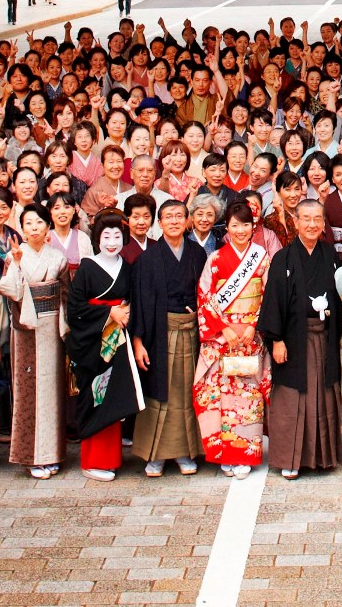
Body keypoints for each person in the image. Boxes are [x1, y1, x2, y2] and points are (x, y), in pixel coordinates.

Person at [259, 198, 342, 479]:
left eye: (316, 219)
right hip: (292, 338)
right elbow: (273, 300)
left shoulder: (331, 255)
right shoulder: (283, 258)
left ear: (323, 223)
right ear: (295, 222)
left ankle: (323, 457)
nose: (311, 224)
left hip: (323, 338)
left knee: (323, 394)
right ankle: (289, 459)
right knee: (291, 398)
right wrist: (276, 339)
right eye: (305, 219)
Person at [195, 201, 274, 478]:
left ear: (254, 227)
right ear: (226, 228)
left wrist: (254, 325)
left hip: (251, 338)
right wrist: (223, 329)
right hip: (223, 339)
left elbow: (269, 295)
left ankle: (246, 454)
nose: (240, 230)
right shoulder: (215, 259)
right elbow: (205, 296)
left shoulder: (261, 257)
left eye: (246, 224)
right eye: (235, 224)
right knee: (223, 398)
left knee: (247, 398)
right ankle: (225, 454)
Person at [130, 198, 208, 477]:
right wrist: (138, 343)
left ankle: (187, 452)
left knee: (188, 392)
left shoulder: (198, 254)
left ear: (187, 221)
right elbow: (138, 303)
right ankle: (157, 456)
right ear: (159, 223)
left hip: (193, 334)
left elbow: (208, 296)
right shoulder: (147, 259)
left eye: (179, 216)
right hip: (158, 336)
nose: (174, 221)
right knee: (160, 395)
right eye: (168, 217)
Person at [66, 220, 143, 481]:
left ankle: (110, 459)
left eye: (117, 236)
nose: (112, 242)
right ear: (97, 239)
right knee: (95, 395)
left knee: (113, 396)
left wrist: (127, 311)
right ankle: (91, 461)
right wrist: (109, 311)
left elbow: (133, 300)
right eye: (106, 236)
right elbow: (74, 309)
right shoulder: (88, 267)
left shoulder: (128, 268)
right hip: (93, 343)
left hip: (118, 340)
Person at [0, 204, 67, 479]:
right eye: (29, 223)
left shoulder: (57, 257)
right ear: (22, 229)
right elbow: (9, 290)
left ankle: (51, 453)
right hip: (26, 328)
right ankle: (31, 457)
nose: (35, 227)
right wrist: (15, 262)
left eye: (39, 222)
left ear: (47, 226)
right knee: (28, 391)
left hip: (51, 327)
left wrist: (64, 327)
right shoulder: (15, 255)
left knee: (52, 391)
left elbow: (64, 295)